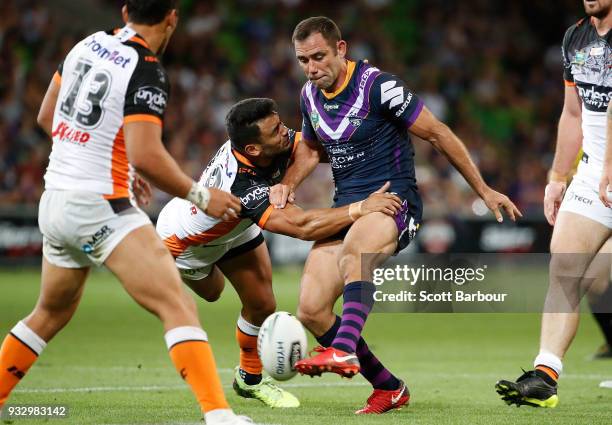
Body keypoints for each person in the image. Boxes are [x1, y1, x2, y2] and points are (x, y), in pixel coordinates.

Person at [0, 2, 255, 424]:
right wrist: (201, 195)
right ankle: (219, 415)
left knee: (51, 312)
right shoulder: (146, 66)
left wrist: (120, 163)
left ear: (124, 10)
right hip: (99, 205)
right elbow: (147, 153)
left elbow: (48, 116)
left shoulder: (88, 44)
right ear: (172, 18)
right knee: (177, 305)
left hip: (55, 201)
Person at [269, 16, 520, 414]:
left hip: (392, 200)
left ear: (341, 49)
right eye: (303, 60)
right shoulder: (308, 96)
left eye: (319, 56)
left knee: (356, 254)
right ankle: (389, 387)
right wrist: (289, 183)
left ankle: (343, 349)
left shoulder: (378, 87)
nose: (312, 68)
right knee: (311, 310)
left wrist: (483, 189)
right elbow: (312, 149)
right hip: (347, 206)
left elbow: (438, 133)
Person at [156, 97, 403, 408]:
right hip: (188, 242)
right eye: (275, 131)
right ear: (253, 150)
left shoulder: (267, 144)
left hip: (236, 225)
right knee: (213, 292)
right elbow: (302, 226)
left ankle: (249, 379)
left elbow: (317, 149)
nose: (285, 132)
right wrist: (360, 207)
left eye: (281, 123)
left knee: (262, 304)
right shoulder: (242, 186)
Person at [496, 0, 612, 408]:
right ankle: (545, 375)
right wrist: (557, 177)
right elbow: (572, 112)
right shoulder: (576, 38)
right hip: (594, 171)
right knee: (565, 267)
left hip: (609, 169)